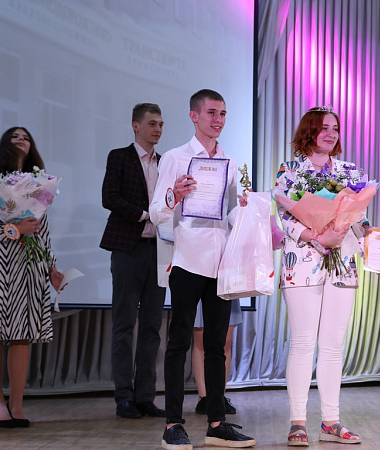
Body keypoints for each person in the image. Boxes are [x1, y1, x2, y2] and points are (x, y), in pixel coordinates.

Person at [272, 107, 380, 446]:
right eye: (324, 128)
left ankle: (331, 421)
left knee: (333, 346)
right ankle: (298, 421)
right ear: (309, 131)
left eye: (335, 129)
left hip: (343, 264)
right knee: (302, 343)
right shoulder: (290, 170)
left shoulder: (349, 172)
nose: (331, 134)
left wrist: (379, 255)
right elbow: (285, 217)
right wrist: (317, 238)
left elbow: (360, 221)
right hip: (302, 262)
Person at [150, 89, 255, 449]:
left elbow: (231, 216)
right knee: (179, 342)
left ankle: (216, 423)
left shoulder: (229, 162)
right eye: (211, 113)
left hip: (220, 265)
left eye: (222, 113)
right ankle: (173, 424)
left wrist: (245, 208)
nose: (218, 120)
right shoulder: (176, 158)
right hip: (187, 260)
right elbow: (157, 213)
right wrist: (174, 196)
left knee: (216, 347)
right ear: (194, 115)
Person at [0, 126, 63, 428]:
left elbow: (42, 230)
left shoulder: (40, 182)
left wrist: (52, 267)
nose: (22, 140)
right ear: (5, 143)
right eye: (15, 136)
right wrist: (14, 229)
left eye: (26, 137)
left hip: (29, 265)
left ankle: (17, 404)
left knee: (23, 333)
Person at [101, 103, 167, 419]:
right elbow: (109, 198)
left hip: (160, 250)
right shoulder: (120, 157)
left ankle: (145, 396)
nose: (157, 129)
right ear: (135, 126)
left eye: (161, 124)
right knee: (125, 324)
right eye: (152, 123)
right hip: (128, 249)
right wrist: (144, 215)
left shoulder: (166, 162)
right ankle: (124, 397)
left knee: (152, 326)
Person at [192, 301, 242, 415]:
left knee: (225, 341)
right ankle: (203, 397)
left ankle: (219, 396)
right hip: (199, 291)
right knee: (201, 340)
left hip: (225, 290)